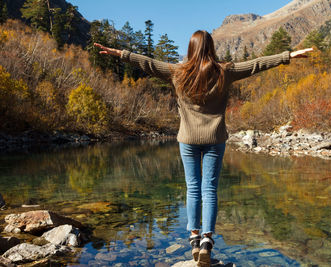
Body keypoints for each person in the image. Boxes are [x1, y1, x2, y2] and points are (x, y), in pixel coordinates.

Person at [95, 31, 312, 267]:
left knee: (192, 188)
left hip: (187, 139)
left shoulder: (177, 72)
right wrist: (288, 55)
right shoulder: (224, 71)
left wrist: (120, 54)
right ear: (211, 47)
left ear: (191, 48)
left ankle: (194, 240)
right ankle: (207, 241)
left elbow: (147, 63)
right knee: (209, 189)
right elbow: (257, 65)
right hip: (215, 138)